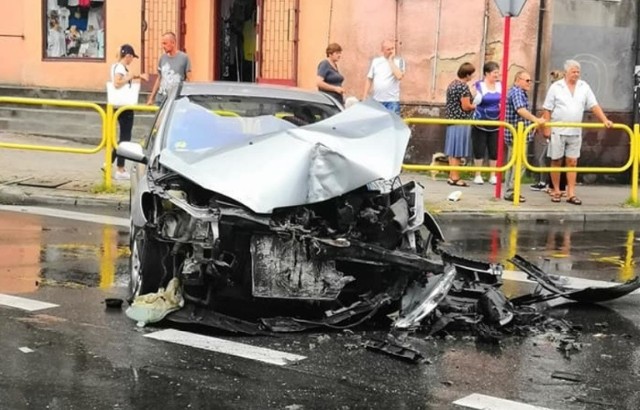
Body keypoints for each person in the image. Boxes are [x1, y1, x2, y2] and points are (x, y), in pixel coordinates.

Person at [542, 59, 613, 205]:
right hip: (558, 129)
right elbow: (547, 109)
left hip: (575, 130)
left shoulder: (583, 86)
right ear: (566, 72)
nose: (576, 74)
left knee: (572, 162)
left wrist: (604, 119)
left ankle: (571, 193)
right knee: (556, 160)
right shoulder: (556, 87)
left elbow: (594, 105)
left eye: (578, 72)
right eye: (573, 71)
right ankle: (556, 191)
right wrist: (547, 128)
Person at [503, 71, 546, 202]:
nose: (529, 83)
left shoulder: (517, 92)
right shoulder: (517, 92)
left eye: (530, 81)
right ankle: (512, 191)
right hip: (517, 134)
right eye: (527, 80)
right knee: (519, 163)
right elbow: (520, 109)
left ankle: (510, 191)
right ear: (518, 80)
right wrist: (536, 120)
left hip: (516, 134)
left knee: (513, 163)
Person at [109, 44, 148, 180]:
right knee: (125, 139)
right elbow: (117, 83)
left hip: (117, 105)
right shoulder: (120, 67)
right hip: (124, 106)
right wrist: (129, 77)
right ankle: (119, 169)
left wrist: (137, 76)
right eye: (131, 57)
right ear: (128, 56)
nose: (132, 60)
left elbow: (125, 78)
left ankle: (109, 163)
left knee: (122, 138)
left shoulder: (116, 66)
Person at [531, 69, 565, 192]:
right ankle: (549, 184)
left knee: (549, 159)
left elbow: (548, 114)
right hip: (555, 129)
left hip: (556, 130)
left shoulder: (558, 95)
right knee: (551, 158)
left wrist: (544, 127)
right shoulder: (555, 94)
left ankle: (546, 183)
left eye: (553, 81)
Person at [443, 62, 477, 187]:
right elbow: (466, 106)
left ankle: (452, 176)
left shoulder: (452, 84)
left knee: (452, 151)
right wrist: (476, 105)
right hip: (461, 120)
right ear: (467, 75)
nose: (472, 77)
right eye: (472, 74)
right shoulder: (463, 87)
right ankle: (456, 177)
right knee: (457, 151)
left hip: (451, 120)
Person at [471, 61, 501, 185]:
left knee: (494, 148)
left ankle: (492, 174)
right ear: (487, 73)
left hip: (496, 121)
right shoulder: (478, 85)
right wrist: (474, 94)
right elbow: (475, 101)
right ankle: (478, 174)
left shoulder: (500, 86)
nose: (497, 75)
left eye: (498, 72)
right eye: (495, 72)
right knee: (479, 147)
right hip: (480, 120)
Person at [147, 32, 191, 106]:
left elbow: (188, 78)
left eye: (165, 43)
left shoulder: (184, 58)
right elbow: (159, 78)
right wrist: (151, 97)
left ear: (173, 43)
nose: (163, 46)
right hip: (161, 98)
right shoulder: (162, 58)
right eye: (162, 43)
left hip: (176, 99)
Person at [362, 39, 406, 115]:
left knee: (391, 125)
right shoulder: (376, 61)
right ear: (382, 50)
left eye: (393, 48)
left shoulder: (400, 61)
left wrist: (390, 61)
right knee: (378, 125)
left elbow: (399, 76)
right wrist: (364, 95)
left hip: (392, 101)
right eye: (388, 49)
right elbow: (369, 78)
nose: (391, 51)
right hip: (377, 101)